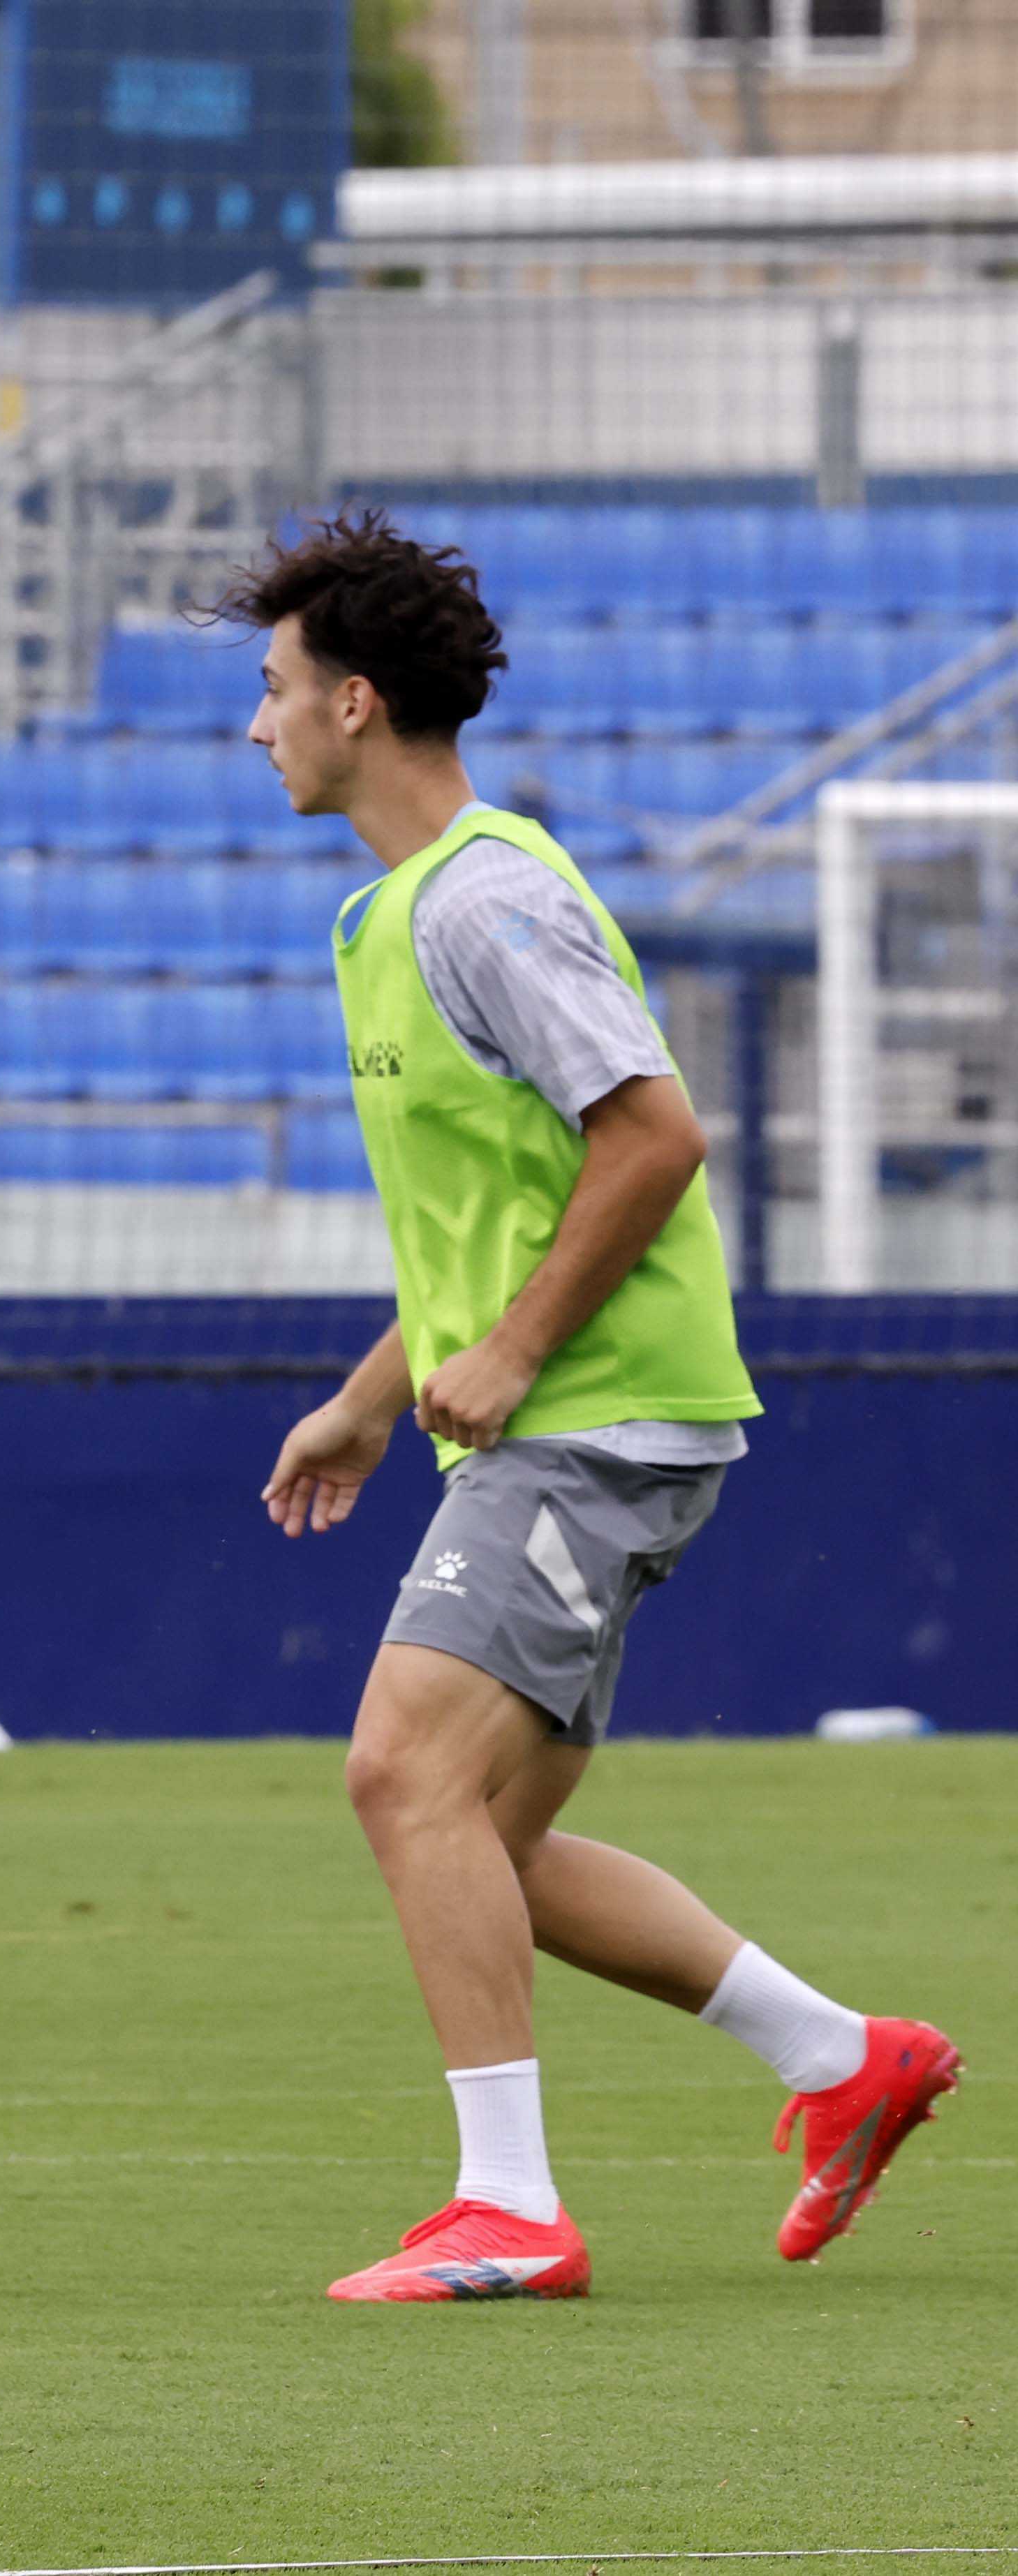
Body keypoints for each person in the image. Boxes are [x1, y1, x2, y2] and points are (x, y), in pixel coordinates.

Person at [232, 513, 957, 2301]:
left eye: (272, 687)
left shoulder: (488, 900)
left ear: (354, 700)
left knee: (401, 1771)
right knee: (489, 1840)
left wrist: (510, 1361)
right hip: (570, 1415)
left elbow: (652, 1137)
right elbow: (507, 1211)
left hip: (596, 1419)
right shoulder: (394, 915)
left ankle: (512, 2208)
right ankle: (841, 2056)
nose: (257, 725)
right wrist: (375, 1395)